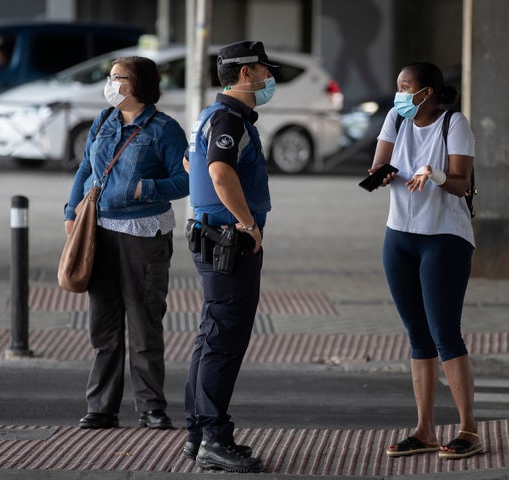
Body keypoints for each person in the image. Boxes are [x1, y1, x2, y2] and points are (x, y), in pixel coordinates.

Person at [63, 56, 189, 431]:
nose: (111, 83)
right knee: (103, 326)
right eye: (111, 77)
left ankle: (151, 407)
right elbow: (86, 167)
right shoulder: (104, 121)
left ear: (138, 85)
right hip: (97, 232)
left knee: (144, 322)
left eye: (118, 78)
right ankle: (101, 407)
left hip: (143, 235)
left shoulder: (165, 130)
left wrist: (146, 188)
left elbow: (188, 181)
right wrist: (71, 210)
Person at [369, 62, 483, 460]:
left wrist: (433, 174)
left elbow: (460, 183)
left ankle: (468, 428)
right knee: (417, 335)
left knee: (445, 333)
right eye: (397, 84)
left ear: (428, 92)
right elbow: (379, 165)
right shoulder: (395, 119)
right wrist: (382, 174)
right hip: (399, 236)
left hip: (444, 239)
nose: (399, 92)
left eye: (406, 86)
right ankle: (424, 429)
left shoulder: (454, 124)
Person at [181, 40, 275, 473]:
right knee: (223, 342)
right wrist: (247, 224)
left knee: (210, 336)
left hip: (210, 235)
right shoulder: (229, 118)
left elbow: (191, 162)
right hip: (228, 242)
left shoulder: (209, 114)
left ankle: (199, 433)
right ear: (244, 74)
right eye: (262, 70)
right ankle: (214, 440)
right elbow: (218, 171)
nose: (267, 77)